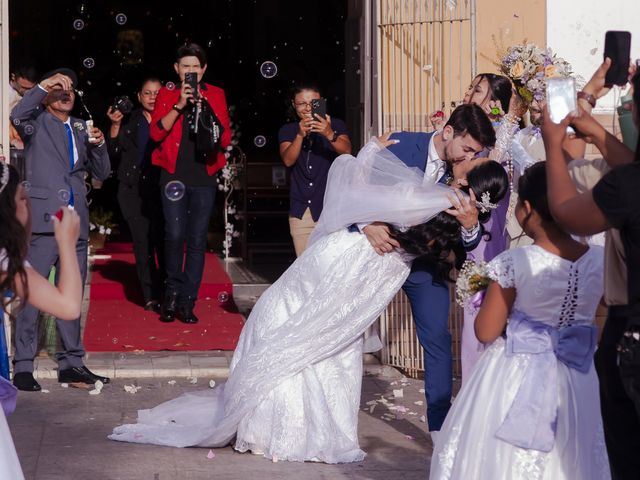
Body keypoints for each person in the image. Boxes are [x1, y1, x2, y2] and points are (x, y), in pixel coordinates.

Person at [110, 138, 509, 462]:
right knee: (293, 325)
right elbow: (355, 188)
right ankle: (267, 423)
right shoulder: (428, 193)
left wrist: (470, 225)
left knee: (335, 348)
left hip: (375, 278)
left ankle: (319, 433)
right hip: (348, 260)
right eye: (470, 158)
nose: (465, 168)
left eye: (473, 168)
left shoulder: (458, 214)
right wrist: (367, 214)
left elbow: (472, 249)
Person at [430, 162, 609, 479]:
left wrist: (483, 298)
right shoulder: (599, 260)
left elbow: (486, 331)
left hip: (516, 369)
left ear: (526, 209)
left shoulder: (515, 261)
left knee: (506, 454)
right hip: (580, 372)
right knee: (576, 446)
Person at [362, 103, 502, 435]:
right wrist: (367, 223)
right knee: (345, 330)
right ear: (449, 132)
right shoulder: (397, 145)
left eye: (475, 153)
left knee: (438, 339)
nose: (468, 158)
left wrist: (468, 224)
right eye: (466, 149)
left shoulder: (469, 172)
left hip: (424, 263)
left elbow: (474, 232)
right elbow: (355, 188)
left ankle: (439, 430)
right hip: (377, 253)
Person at [542, 68, 640, 479]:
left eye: (634, 100)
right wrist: (597, 135)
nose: (630, 106)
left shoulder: (630, 185)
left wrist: (551, 143)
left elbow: (569, 214)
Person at [9, 68, 111, 391]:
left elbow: (103, 172)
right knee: (32, 294)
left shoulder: (83, 127)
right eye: (59, 88)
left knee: (72, 292)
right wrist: (44, 84)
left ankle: (72, 363)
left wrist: (100, 144)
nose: (66, 93)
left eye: (70, 89)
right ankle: (23, 365)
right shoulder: (36, 122)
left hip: (75, 222)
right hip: (43, 221)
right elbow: (17, 113)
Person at [1, 162, 83, 480]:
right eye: (23, 199)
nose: (29, 207)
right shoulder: (5, 264)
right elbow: (68, 305)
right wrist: (66, 241)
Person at [151, 43, 231, 325]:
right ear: (176, 69)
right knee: (174, 234)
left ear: (204, 69)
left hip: (203, 175)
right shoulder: (167, 93)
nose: (190, 71)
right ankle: (170, 294)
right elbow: (156, 133)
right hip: (173, 175)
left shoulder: (216, 95)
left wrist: (203, 106)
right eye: (185, 66)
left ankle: (187, 301)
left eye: (195, 67)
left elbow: (224, 139)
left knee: (197, 240)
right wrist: (180, 104)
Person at [107, 77, 164, 312]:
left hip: (163, 189)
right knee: (143, 243)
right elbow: (113, 152)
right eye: (147, 93)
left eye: (157, 93)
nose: (152, 97)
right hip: (133, 190)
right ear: (139, 97)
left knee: (165, 242)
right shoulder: (129, 121)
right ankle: (150, 295)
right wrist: (115, 125)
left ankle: (168, 292)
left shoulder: (172, 119)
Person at [278, 83, 352, 256]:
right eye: (301, 103)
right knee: (304, 266)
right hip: (302, 209)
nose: (307, 108)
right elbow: (288, 160)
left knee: (330, 264)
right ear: (293, 105)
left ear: (322, 103)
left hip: (331, 207)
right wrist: (299, 135)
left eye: (313, 103)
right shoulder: (288, 130)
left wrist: (328, 133)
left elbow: (347, 150)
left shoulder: (336, 125)